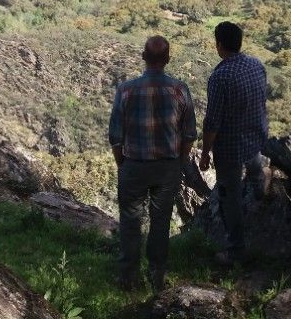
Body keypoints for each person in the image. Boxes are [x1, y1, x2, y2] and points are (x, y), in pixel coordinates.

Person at [108, 36, 197, 293]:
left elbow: (116, 136)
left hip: (133, 164)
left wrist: (122, 164)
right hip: (167, 166)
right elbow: (189, 134)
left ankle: (128, 277)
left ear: (143, 57)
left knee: (130, 220)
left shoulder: (126, 90)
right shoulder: (180, 90)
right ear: (168, 59)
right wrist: (178, 162)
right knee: (161, 221)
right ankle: (157, 275)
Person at [199, 21, 268, 266]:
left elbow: (213, 122)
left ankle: (235, 251)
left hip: (230, 147)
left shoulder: (220, 77)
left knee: (230, 196)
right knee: (255, 169)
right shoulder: (256, 65)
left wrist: (205, 153)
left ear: (219, 44)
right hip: (256, 136)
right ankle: (261, 195)